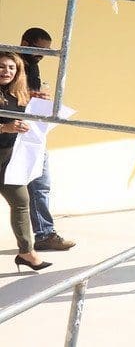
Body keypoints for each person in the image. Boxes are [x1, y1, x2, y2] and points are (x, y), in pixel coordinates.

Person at [20, 27, 75, 251]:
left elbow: (26, 96)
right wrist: (29, 95)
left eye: (46, 51)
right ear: (24, 43)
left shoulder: (33, 65)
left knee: (40, 184)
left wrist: (38, 97)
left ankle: (44, 234)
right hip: (11, 133)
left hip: (31, 132)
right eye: (38, 49)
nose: (42, 55)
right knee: (26, 189)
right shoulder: (10, 61)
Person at [0, 52, 52, 272]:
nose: (6, 71)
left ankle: (26, 252)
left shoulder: (18, 94)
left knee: (22, 201)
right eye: (1, 66)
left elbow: (29, 116)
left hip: (9, 158)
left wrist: (38, 102)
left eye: (12, 67)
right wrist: (4, 127)